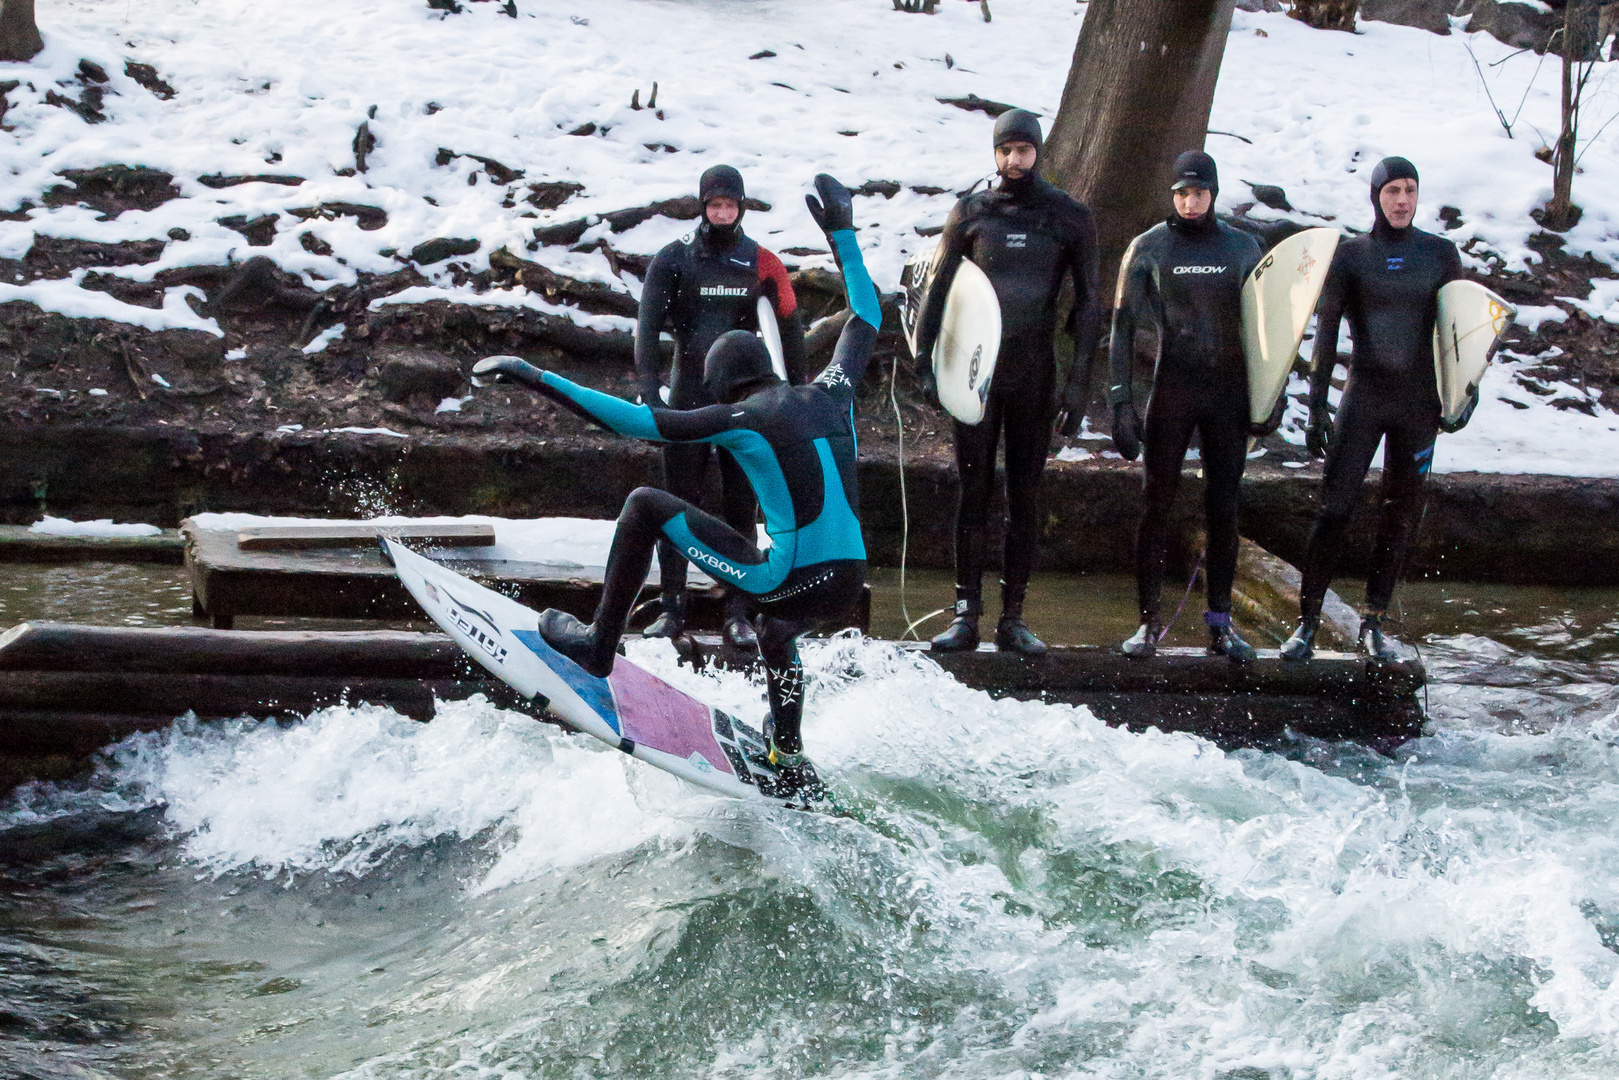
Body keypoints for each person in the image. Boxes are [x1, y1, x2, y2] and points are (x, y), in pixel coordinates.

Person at [486, 175, 878, 800]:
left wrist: (534, 376)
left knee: (645, 506)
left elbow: (636, 423)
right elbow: (865, 317)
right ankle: (788, 749)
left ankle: (596, 646)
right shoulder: (832, 392)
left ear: (725, 388)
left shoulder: (741, 419)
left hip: (788, 578)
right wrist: (842, 234)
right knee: (779, 632)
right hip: (851, 579)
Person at [912, 109, 1101, 656]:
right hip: (975, 374)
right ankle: (966, 614)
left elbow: (1090, 306)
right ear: (994, 154)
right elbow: (940, 291)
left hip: (1034, 372)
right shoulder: (972, 213)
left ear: (1038, 152)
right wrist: (926, 362)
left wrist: (1079, 385)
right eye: (1005, 150)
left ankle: (1013, 616)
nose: (1014, 159)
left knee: (1025, 494)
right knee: (973, 489)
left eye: (1023, 149)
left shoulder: (1068, 217)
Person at [1280, 156, 1462, 661]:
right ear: (1376, 197)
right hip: (1364, 398)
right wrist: (1317, 406)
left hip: (1418, 405)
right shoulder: (1352, 256)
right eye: (1392, 192)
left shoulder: (1440, 255)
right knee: (1334, 509)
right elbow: (1327, 332)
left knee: (1399, 515)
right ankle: (1308, 624)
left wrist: (1462, 394)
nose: (1402, 200)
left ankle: (1373, 624)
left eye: (1410, 189)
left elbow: (1460, 333)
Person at [635, 164, 809, 648]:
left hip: (742, 403)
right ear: (702, 207)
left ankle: (737, 609)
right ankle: (672, 608)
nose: (723, 213)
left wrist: (799, 390)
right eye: (715, 205)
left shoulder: (762, 261)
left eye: (731, 205)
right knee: (677, 502)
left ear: (742, 207)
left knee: (740, 505)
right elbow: (647, 328)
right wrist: (650, 393)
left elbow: (790, 326)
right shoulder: (674, 259)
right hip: (687, 397)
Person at [1108, 151, 1267, 661]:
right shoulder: (1148, 247)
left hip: (1228, 392)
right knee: (1156, 503)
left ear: (1213, 194)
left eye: (1199, 193)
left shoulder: (1244, 248)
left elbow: (1270, 331)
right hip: (1172, 389)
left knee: (1224, 508)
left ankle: (1219, 625)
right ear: (1171, 195)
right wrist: (1120, 404)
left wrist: (1271, 396)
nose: (1190, 201)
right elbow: (1122, 326)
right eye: (1181, 193)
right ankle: (1148, 624)